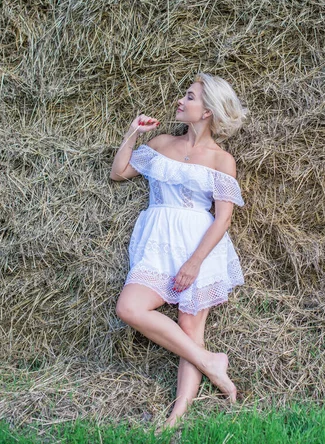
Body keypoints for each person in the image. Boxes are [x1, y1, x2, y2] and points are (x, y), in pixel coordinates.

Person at [110, 73, 246, 427]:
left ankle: (177, 415)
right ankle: (211, 362)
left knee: (190, 324)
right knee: (129, 307)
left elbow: (222, 219)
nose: (180, 101)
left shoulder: (221, 160)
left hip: (199, 245)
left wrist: (195, 262)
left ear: (207, 111)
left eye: (190, 97)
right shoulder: (162, 143)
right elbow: (119, 172)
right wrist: (132, 134)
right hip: (157, 241)